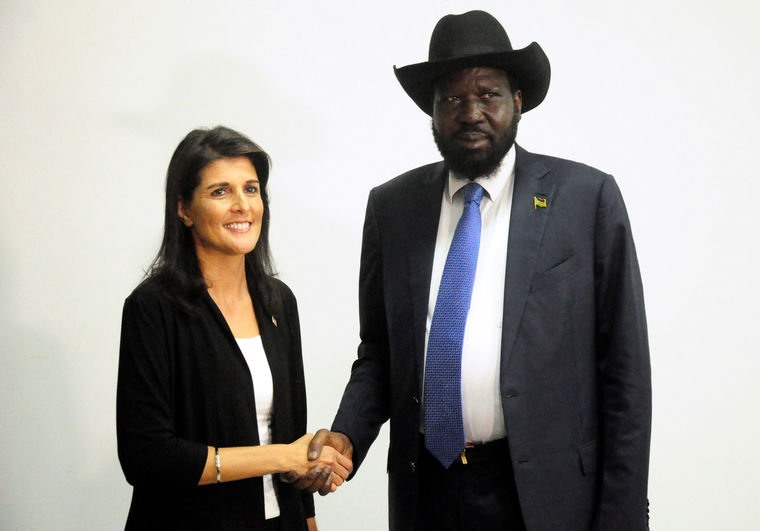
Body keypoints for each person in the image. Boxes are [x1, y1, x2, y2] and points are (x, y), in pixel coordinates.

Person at [291, 10, 651, 531]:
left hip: (548, 497)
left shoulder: (585, 200)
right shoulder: (393, 208)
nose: (471, 112)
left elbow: (626, 373)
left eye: (488, 94)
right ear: (433, 113)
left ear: (517, 102)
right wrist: (346, 435)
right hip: (428, 492)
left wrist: (622, 517)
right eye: (453, 99)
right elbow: (381, 354)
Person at [116, 126, 352, 531]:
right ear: (184, 209)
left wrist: (309, 499)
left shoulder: (279, 301)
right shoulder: (152, 307)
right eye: (220, 191)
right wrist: (282, 456)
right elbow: (147, 456)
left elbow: (292, 431)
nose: (243, 205)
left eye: (252, 189)